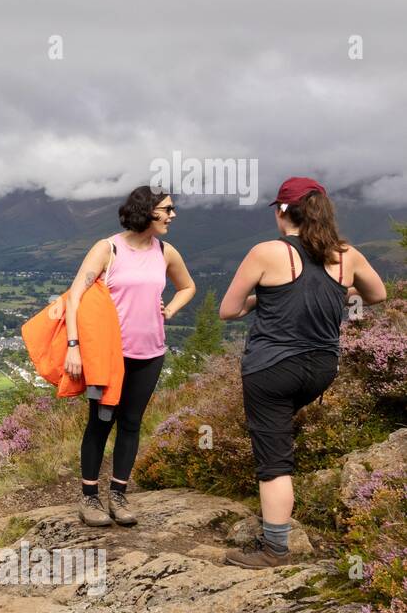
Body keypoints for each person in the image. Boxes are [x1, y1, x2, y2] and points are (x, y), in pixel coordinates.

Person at [219, 177, 386, 568]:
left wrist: (264, 297)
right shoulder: (347, 256)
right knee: (278, 439)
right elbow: (378, 295)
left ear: (281, 212)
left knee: (274, 460)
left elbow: (228, 309)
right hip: (322, 368)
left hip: (272, 368)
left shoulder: (266, 252)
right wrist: (337, 293)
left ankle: (274, 550)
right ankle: (279, 502)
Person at [66, 186, 196, 527]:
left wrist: (170, 311)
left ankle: (119, 495)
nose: (173, 215)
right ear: (146, 211)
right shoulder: (108, 249)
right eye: (167, 209)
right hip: (110, 356)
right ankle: (90, 498)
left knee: (132, 423)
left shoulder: (166, 252)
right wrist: (73, 345)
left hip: (150, 353)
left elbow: (188, 287)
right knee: (101, 422)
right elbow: (75, 296)